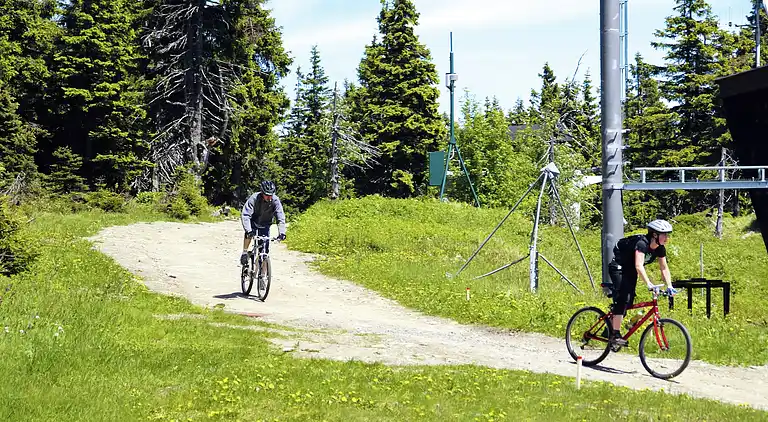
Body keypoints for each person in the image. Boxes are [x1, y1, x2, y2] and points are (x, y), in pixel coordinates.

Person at [601, 219, 678, 346]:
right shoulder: (642, 244)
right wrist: (648, 283)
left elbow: (664, 268)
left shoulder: (660, 248)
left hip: (630, 269)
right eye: (664, 234)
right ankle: (615, 334)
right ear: (655, 235)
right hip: (618, 266)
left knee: (630, 301)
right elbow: (639, 265)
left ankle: (609, 326)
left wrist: (670, 286)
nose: (666, 237)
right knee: (623, 297)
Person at [240, 180, 286, 266]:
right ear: (262, 193)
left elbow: (280, 217)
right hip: (253, 221)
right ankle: (244, 252)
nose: (269, 198)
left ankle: (263, 275)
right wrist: (248, 230)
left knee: (265, 251)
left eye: (271, 195)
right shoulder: (254, 198)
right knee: (248, 234)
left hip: (265, 223)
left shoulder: (275, 200)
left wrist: (282, 232)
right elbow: (245, 215)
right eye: (267, 195)